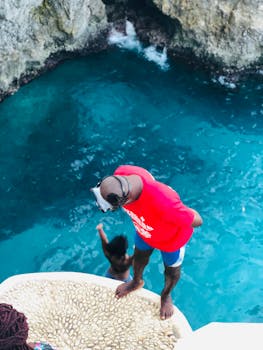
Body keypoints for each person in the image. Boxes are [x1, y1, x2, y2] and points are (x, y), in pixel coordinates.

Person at [91, 165, 203, 320]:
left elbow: (197, 221)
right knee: (139, 258)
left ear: (127, 199)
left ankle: (165, 295)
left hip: (171, 241)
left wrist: (183, 213)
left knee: (171, 270)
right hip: (144, 232)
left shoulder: (165, 203)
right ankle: (136, 281)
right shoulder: (122, 172)